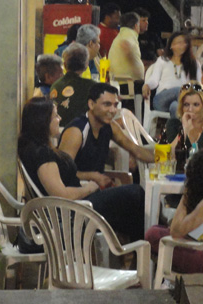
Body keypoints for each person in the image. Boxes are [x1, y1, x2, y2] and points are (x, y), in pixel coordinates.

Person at [18, 97, 145, 241]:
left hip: (77, 207)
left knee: (129, 207)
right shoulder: (42, 154)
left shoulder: (35, 148)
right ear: (43, 121)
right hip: (74, 212)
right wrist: (90, 188)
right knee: (135, 193)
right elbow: (61, 195)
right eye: (55, 116)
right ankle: (141, 247)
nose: (59, 119)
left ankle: (135, 247)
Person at [58, 83, 154, 188]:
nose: (113, 110)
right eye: (107, 104)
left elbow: (136, 151)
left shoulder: (110, 126)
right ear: (91, 104)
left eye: (115, 105)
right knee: (135, 191)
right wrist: (92, 176)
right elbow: (62, 173)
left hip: (96, 189)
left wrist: (163, 157)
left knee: (138, 191)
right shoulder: (76, 131)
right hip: (77, 192)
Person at [143, 32, 201, 116]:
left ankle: (181, 124)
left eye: (184, 43)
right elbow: (154, 80)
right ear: (171, 46)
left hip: (184, 101)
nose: (182, 45)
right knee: (179, 90)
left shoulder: (194, 63)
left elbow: (199, 84)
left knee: (175, 106)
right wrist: (147, 85)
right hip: (162, 100)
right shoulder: (162, 60)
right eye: (179, 43)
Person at [162, 81, 203, 150]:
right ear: (181, 106)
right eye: (186, 105)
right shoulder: (173, 124)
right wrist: (185, 129)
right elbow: (170, 154)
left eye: (196, 104)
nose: (190, 109)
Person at [49, 42, 95, 124]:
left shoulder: (55, 85)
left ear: (65, 65)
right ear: (86, 65)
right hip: (81, 129)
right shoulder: (92, 86)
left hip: (58, 128)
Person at [108, 12, 144, 82]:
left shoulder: (122, 34)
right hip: (127, 83)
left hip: (120, 81)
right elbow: (126, 43)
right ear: (136, 26)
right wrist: (131, 57)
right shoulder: (128, 34)